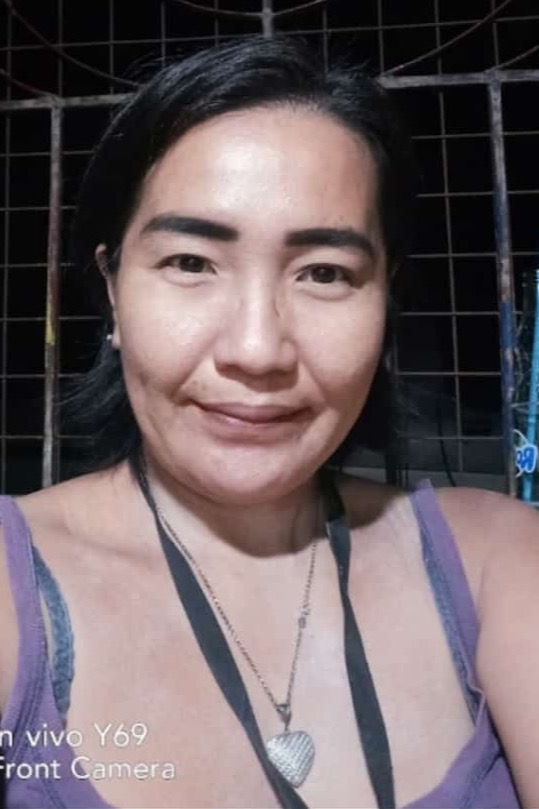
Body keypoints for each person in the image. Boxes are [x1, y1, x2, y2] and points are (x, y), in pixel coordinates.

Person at [0, 34, 537, 809]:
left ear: (385, 298)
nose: (256, 350)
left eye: (324, 273)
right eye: (190, 262)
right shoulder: (13, 592)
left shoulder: (500, 564)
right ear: (113, 287)